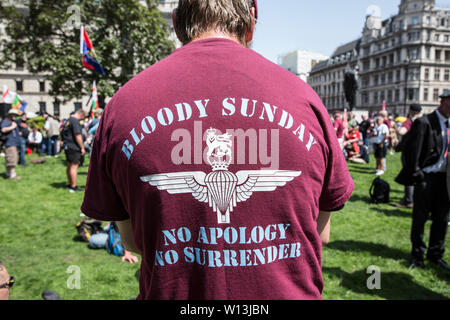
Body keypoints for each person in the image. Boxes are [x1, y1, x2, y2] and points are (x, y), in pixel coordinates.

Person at [81, 0, 354, 300]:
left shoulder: (122, 107)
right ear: (251, 25)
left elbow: (133, 241)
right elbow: (320, 233)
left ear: (176, 23)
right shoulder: (306, 101)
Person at [396, 89, 450, 270]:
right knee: (420, 218)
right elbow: (412, 152)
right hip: (427, 177)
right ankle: (417, 254)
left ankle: (436, 254)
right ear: (442, 101)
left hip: (445, 178)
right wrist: (418, 174)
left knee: (441, 218)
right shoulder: (424, 122)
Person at [395, 104, 422, 209]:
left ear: (411, 111)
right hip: (420, 152)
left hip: (409, 152)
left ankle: (408, 201)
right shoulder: (423, 120)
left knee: (408, 175)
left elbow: (402, 131)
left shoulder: (409, 121)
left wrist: (397, 127)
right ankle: (415, 199)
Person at [61, 109, 86, 192]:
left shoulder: (67, 121)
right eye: (82, 118)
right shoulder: (75, 121)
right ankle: (73, 186)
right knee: (74, 166)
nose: (81, 120)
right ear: (81, 115)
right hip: (73, 146)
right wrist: (82, 147)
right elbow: (77, 135)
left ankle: (70, 184)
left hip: (67, 145)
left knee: (69, 165)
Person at [1, 109, 21, 180]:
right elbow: (3, 129)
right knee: (12, 159)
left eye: (15, 115)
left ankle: (8, 173)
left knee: (9, 159)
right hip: (9, 143)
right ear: (10, 115)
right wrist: (12, 127)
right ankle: (13, 175)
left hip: (13, 143)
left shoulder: (12, 122)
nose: (15, 116)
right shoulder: (6, 121)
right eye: (14, 114)